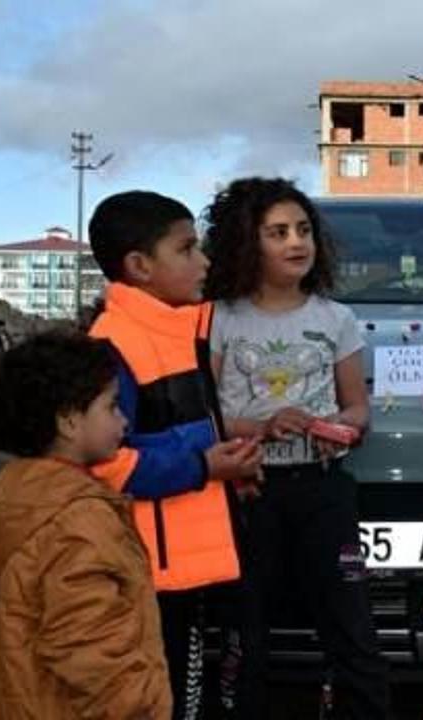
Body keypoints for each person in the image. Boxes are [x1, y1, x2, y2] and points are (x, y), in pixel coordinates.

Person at [202, 177, 389, 719]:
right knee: (244, 630)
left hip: (323, 493)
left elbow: (358, 410)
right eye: (277, 232)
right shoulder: (219, 317)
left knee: (351, 626)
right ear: (246, 241)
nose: (295, 243)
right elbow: (205, 418)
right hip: (246, 495)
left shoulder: (336, 319)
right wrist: (262, 426)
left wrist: (339, 428)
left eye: (303, 230)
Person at [86, 190, 264, 718]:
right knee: (166, 699)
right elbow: (106, 464)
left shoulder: (186, 328)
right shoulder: (111, 344)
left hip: (200, 562)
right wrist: (206, 465)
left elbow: (188, 427)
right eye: (187, 249)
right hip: (154, 574)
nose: (203, 261)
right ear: (140, 266)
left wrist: (230, 470)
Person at [0, 331, 171, 719]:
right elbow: (92, 654)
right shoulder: (78, 520)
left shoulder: (10, 496)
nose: (123, 420)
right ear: (69, 421)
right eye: (111, 407)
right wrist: (143, 708)